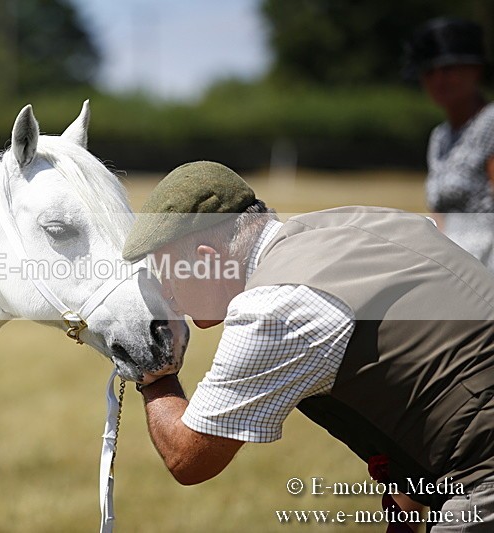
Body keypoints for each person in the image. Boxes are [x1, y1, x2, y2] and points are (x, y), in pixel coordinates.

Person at [123, 161, 494, 531]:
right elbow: (426, 359)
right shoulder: (366, 220)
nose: (167, 296)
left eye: (168, 273)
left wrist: (154, 371)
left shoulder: (274, 307)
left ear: (207, 261)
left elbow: (189, 458)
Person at [404, 17, 494, 271]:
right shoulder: (440, 138)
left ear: (475, 69)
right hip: (452, 271)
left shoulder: (490, 124)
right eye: (429, 72)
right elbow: (439, 218)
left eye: (449, 69)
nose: (438, 79)